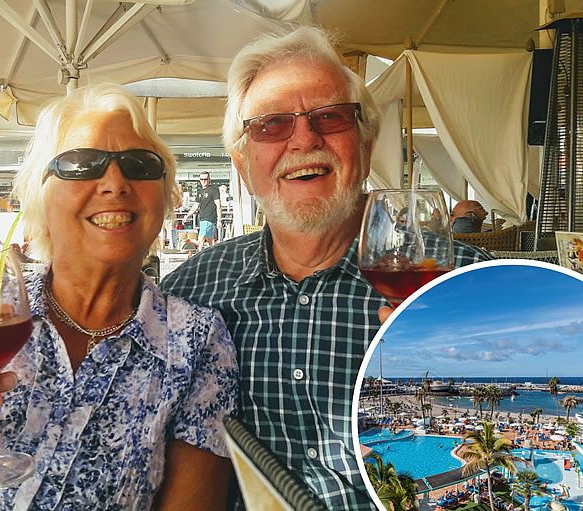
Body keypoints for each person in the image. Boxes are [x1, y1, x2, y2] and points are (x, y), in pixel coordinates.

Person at [0, 83, 238, 510]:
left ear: (164, 200)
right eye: (81, 164)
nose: (115, 182)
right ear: (39, 197)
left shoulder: (196, 341)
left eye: (140, 164)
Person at [159, 26, 491, 509]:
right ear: (242, 164)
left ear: (367, 143)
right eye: (272, 125)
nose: (304, 140)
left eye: (330, 117)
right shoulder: (191, 292)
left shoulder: (459, 281)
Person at [183, 172, 222, 250]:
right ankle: (212, 253)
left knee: (201, 239)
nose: (203, 181)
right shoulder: (200, 191)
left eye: (205, 179)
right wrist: (187, 215)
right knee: (209, 239)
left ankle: (199, 253)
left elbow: (218, 205)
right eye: (201, 179)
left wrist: (219, 220)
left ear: (209, 180)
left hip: (209, 218)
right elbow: (195, 206)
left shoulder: (213, 190)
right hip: (202, 218)